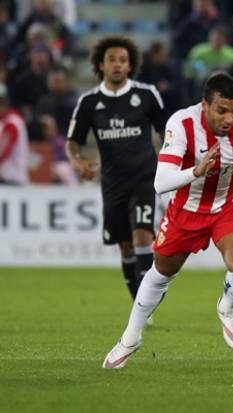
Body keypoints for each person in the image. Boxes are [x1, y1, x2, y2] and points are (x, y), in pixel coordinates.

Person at [102, 72, 233, 369]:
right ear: (205, 105)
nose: (230, 118)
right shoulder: (182, 124)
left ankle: (226, 306)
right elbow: (160, 182)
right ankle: (131, 336)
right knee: (161, 272)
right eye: (221, 111)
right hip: (188, 209)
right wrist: (196, 171)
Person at [66, 36, 166, 304]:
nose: (118, 65)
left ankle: (146, 303)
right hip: (112, 182)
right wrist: (78, 162)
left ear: (130, 65)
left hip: (145, 177)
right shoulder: (89, 102)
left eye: (123, 60)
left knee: (143, 233)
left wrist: (169, 160)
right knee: (126, 245)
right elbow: (72, 142)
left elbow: (166, 132)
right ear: (101, 64)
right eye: (112, 60)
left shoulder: (146, 95)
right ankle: (139, 302)